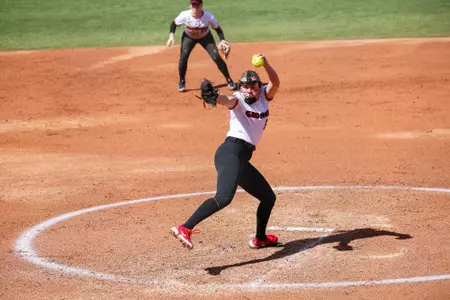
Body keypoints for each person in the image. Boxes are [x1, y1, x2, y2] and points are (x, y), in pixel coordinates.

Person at [171, 54, 281, 250]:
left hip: (242, 158)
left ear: (259, 87)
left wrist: (266, 64)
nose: (250, 89)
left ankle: (260, 238)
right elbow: (225, 100)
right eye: (246, 86)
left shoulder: (265, 96)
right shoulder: (237, 99)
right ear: (240, 88)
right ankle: (184, 227)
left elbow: (275, 81)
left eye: (254, 86)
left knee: (268, 198)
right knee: (224, 197)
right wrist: (215, 98)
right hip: (230, 152)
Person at [166, 0, 237, 92]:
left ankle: (229, 80)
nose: (195, 7)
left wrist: (222, 40)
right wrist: (171, 36)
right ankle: (182, 82)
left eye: (197, 5)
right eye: (193, 5)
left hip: (205, 37)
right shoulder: (185, 15)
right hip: (189, 37)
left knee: (216, 57)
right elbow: (174, 24)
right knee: (183, 57)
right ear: (190, 6)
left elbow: (218, 29)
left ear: (201, 5)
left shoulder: (209, 16)